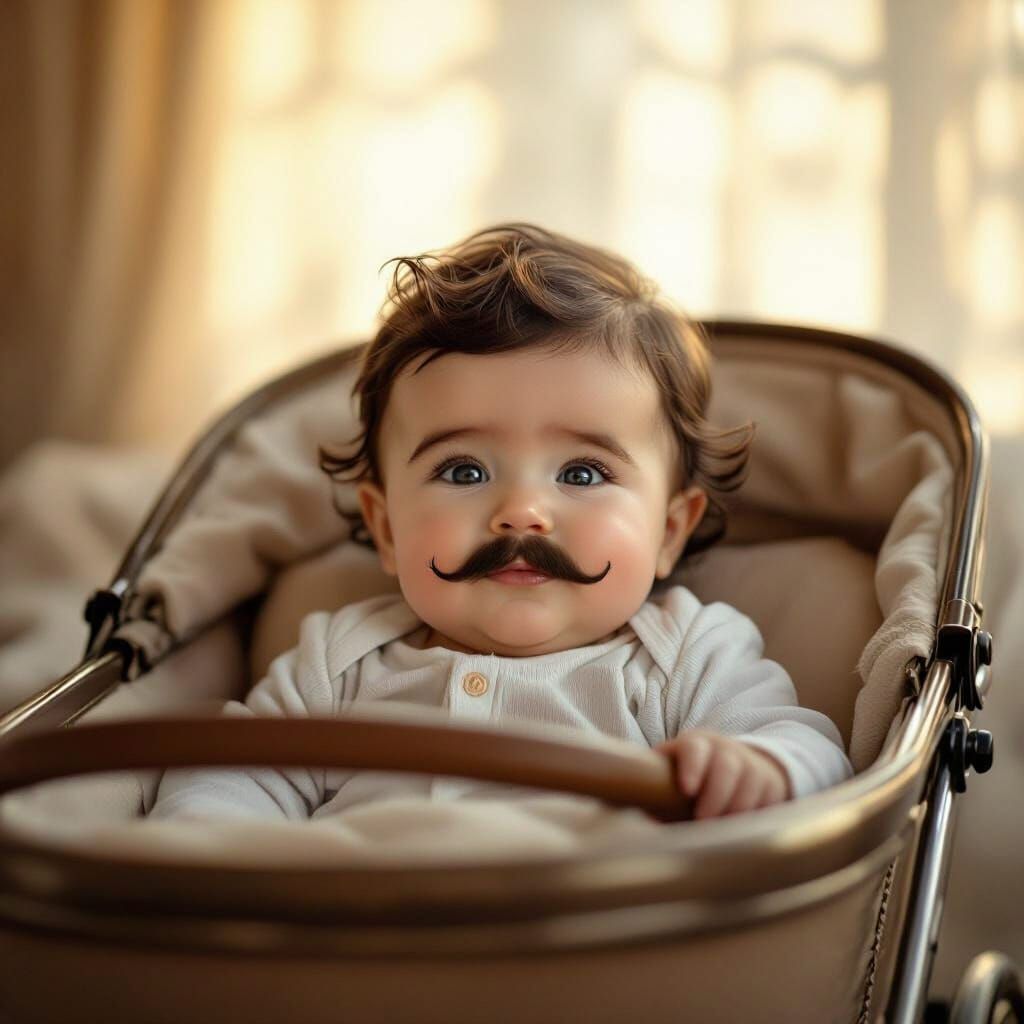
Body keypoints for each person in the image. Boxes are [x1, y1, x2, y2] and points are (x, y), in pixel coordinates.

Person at [150, 224, 851, 823]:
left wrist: (758, 767)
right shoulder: (339, 666)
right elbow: (229, 776)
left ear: (670, 531)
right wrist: (205, 837)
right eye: (464, 471)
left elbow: (807, 746)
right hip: (358, 952)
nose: (521, 511)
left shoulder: (684, 659)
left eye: (581, 474)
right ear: (387, 527)